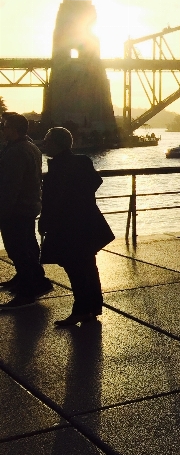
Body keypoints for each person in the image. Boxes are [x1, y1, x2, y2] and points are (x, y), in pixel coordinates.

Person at [38, 127, 115, 327]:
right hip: (86, 222)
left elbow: (52, 200)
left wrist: (44, 222)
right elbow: (95, 181)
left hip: (67, 226)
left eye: (47, 140)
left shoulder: (59, 168)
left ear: (57, 143)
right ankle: (93, 307)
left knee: (75, 268)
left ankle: (81, 310)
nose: (44, 143)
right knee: (88, 264)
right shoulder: (82, 161)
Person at [0, 113, 53, 310]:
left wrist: (3, 212)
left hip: (16, 209)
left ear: (14, 129)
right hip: (29, 206)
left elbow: (10, 186)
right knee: (28, 245)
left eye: (4, 126)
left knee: (17, 249)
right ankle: (32, 280)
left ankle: (28, 291)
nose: (2, 129)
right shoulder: (30, 146)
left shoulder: (15, 152)